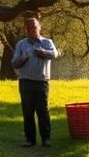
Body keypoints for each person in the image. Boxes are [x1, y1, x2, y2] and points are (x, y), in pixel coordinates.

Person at [11, 16, 59, 147]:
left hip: (41, 81)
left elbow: (55, 54)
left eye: (35, 27)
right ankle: (30, 139)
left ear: (39, 27)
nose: (33, 29)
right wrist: (22, 58)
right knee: (28, 111)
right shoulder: (21, 44)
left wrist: (44, 53)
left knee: (43, 110)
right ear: (25, 29)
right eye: (29, 27)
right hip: (25, 82)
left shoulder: (47, 42)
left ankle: (46, 138)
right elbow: (14, 63)